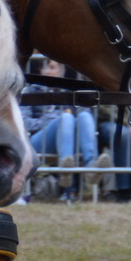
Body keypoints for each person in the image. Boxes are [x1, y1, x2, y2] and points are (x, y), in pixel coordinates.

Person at [22, 58, 98, 203]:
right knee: (66, 118)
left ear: (62, 71)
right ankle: (66, 168)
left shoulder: (70, 91)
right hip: (39, 140)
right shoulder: (31, 90)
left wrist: (69, 117)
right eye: (45, 68)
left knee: (84, 115)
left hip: (70, 139)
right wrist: (52, 121)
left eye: (52, 67)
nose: (48, 71)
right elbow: (25, 123)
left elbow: (83, 113)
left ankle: (91, 167)